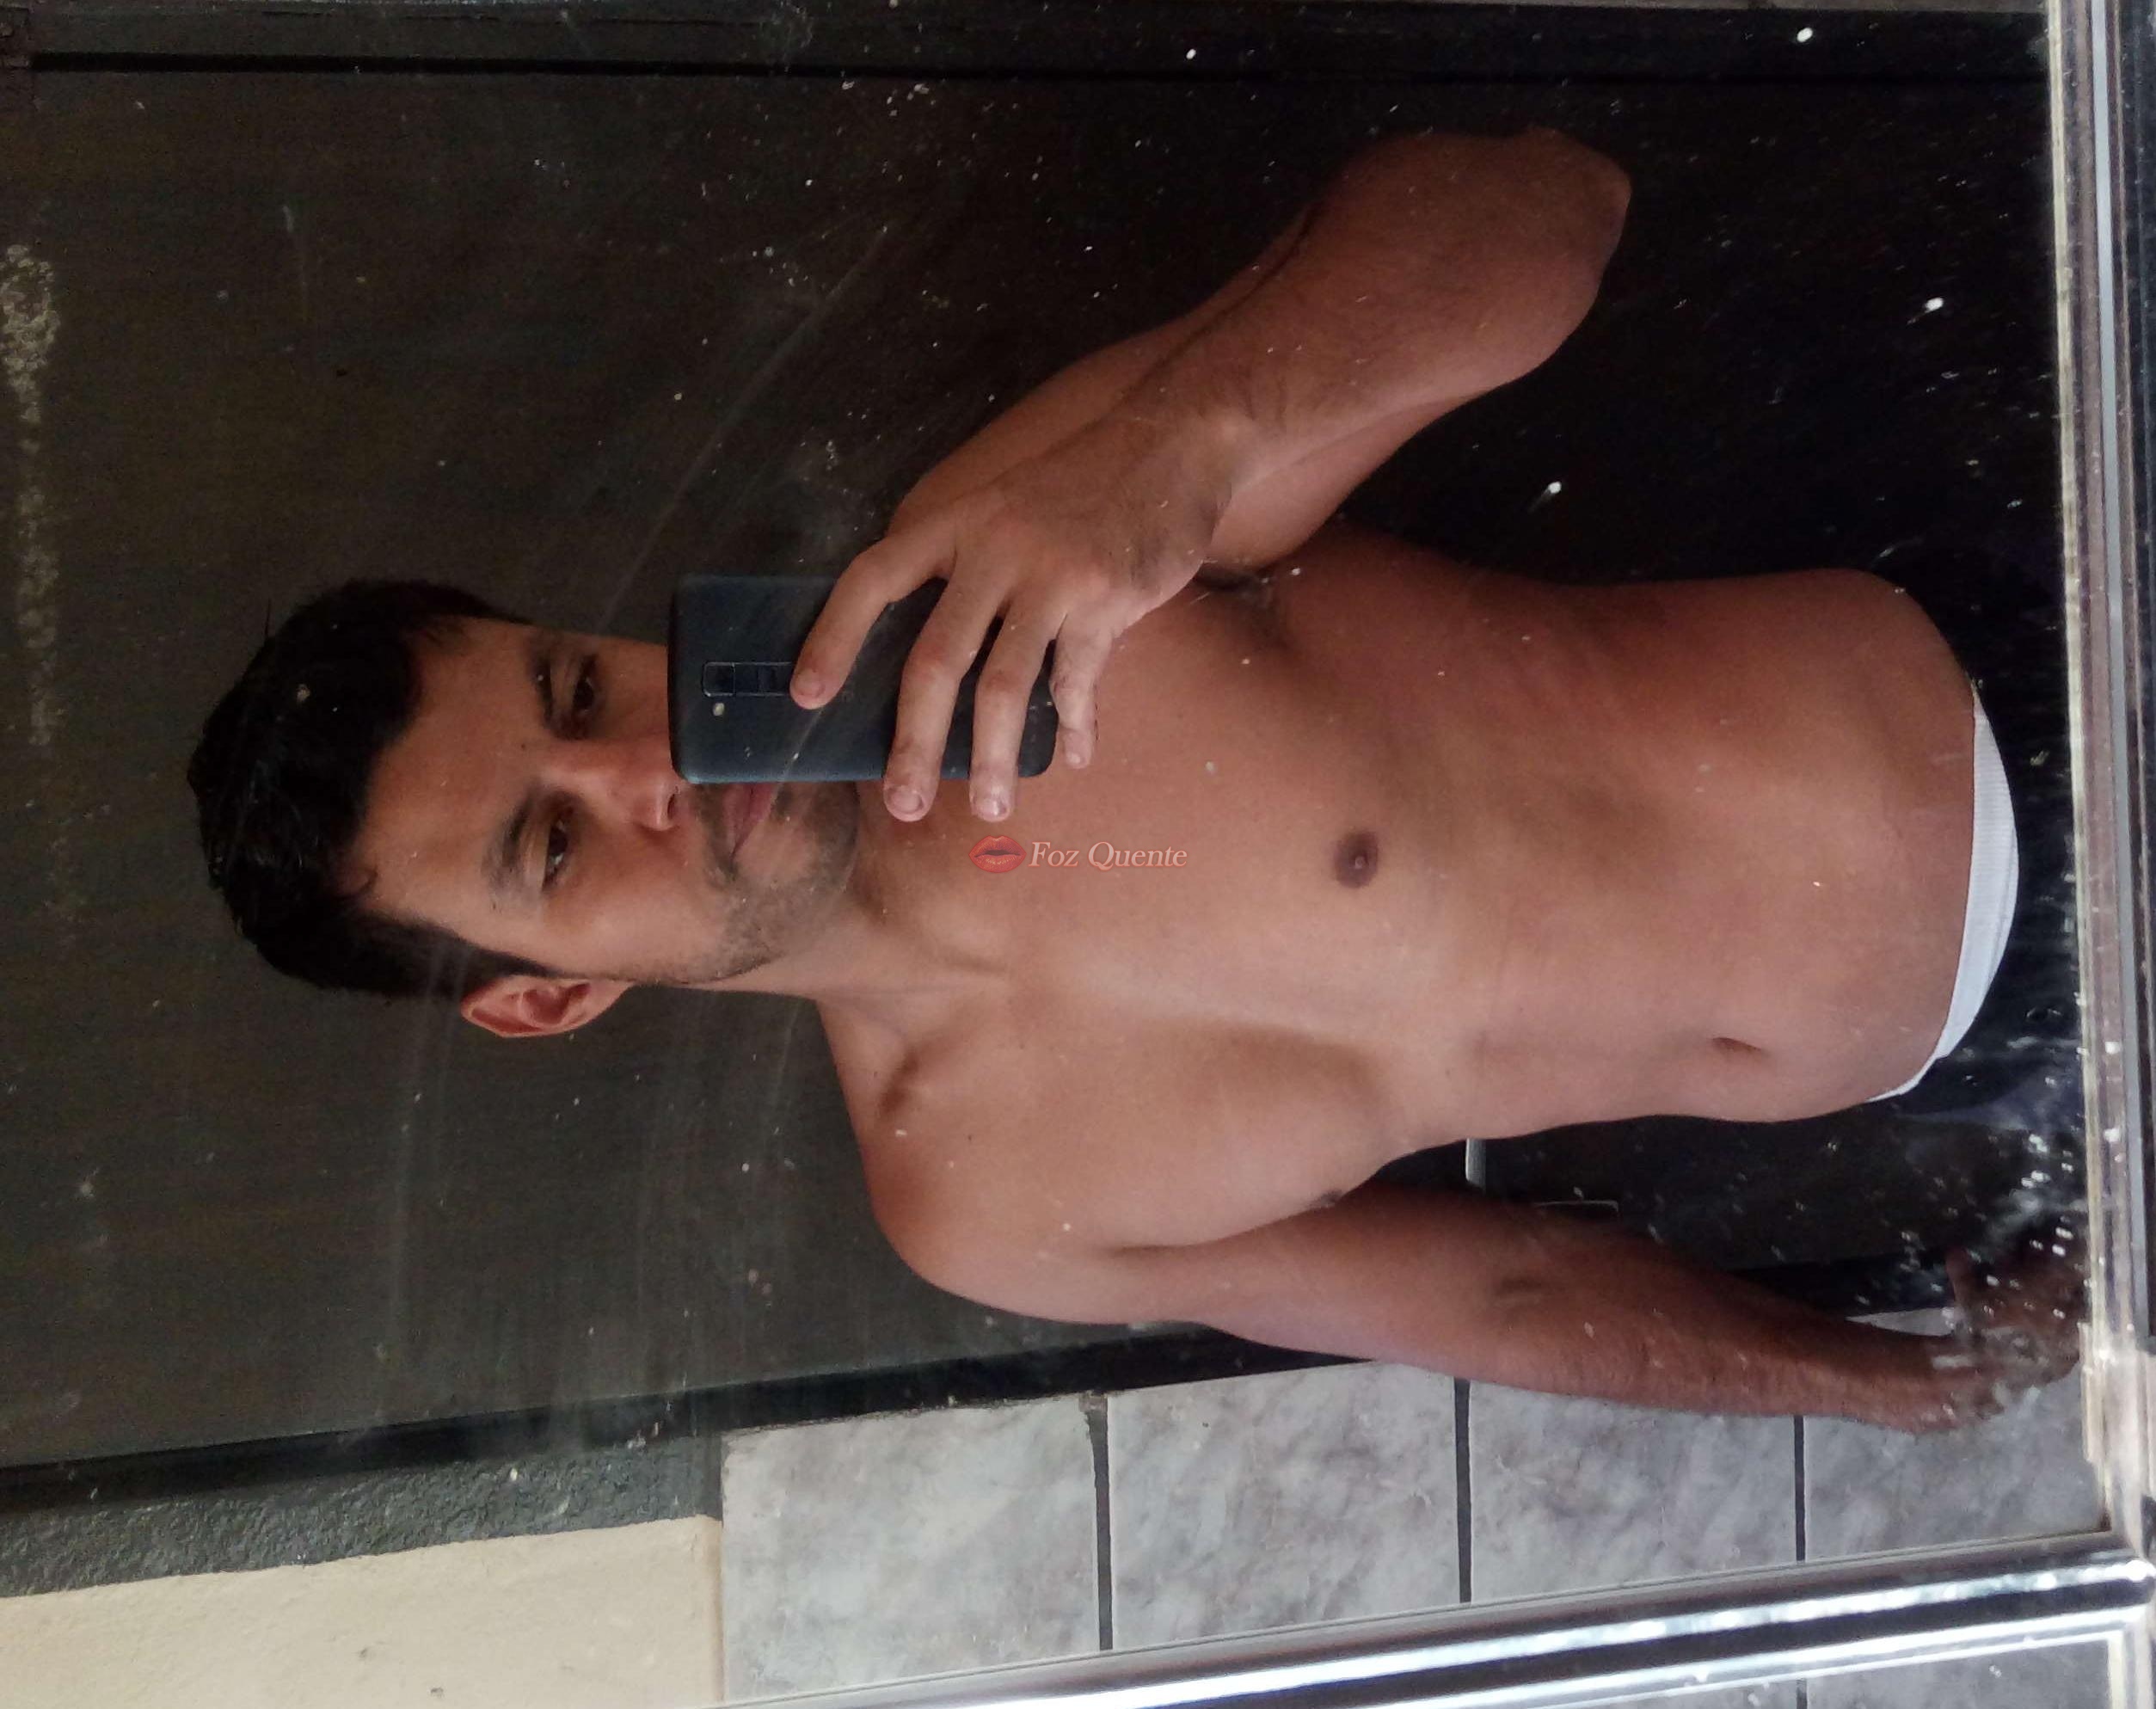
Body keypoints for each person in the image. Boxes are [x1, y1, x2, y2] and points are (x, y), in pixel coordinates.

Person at [190, 128, 2083, 1434]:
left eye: (576, 686)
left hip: (2039, 672)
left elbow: (1545, 208)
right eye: (552, 842)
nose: (650, 763)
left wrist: (1189, 443)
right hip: (2017, 1072)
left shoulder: (991, 569)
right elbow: (1489, 1296)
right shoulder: (977, 1201)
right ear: (545, 995)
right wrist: (1904, 1383)